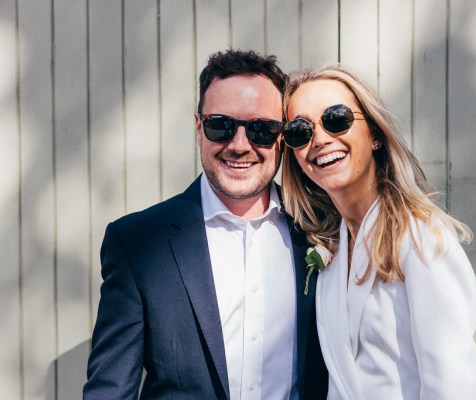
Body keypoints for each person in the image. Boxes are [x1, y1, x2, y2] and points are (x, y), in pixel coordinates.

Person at [84, 50, 328, 400]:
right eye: (221, 126)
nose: (239, 145)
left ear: (281, 137)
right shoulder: (136, 243)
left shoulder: (323, 229)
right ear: (199, 128)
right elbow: (109, 390)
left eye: (261, 129)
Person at [280, 64, 476, 399]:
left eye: (336, 119)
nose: (319, 139)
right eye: (300, 131)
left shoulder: (421, 237)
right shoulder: (331, 247)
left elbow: (455, 384)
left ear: (374, 134)